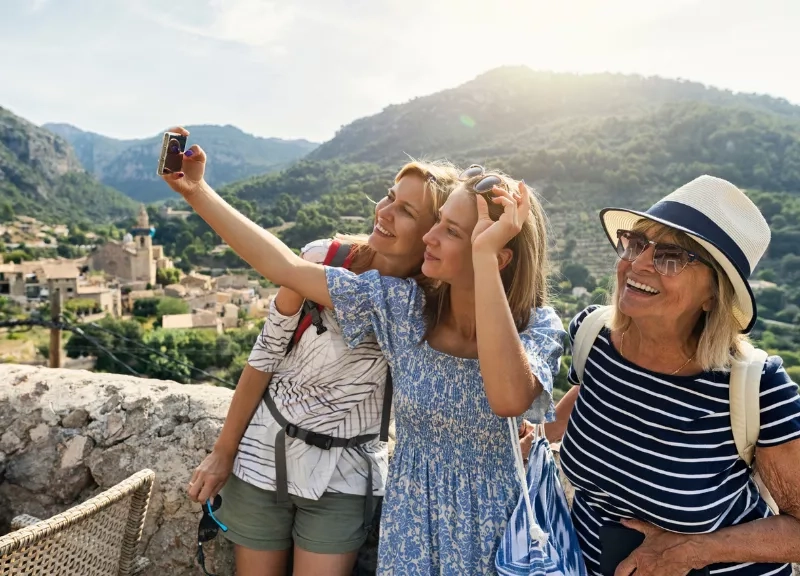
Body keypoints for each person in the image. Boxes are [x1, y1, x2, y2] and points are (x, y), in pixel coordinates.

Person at [161, 126, 565, 575]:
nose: (431, 237)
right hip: (412, 522)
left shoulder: (539, 327)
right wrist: (196, 191)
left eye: (449, 231)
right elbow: (286, 266)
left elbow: (507, 398)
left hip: (494, 524)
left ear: (497, 256)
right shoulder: (404, 308)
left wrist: (485, 258)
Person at [186, 159, 461, 576]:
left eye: (407, 211)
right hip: (265, 454)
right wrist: (223, 451)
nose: (384, 211)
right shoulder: (324, 258)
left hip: (346, 475)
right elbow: (265, 355)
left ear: (433, 233)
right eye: (390, 196)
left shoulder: (423, 307)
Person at [551, 175, 800, 576]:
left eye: (670, 256)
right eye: (635, 243)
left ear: (713, 294)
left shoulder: (756, 388)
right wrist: (529, 436)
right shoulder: (593, 337)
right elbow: (587, 402)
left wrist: (691, 551)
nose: (639, 263)